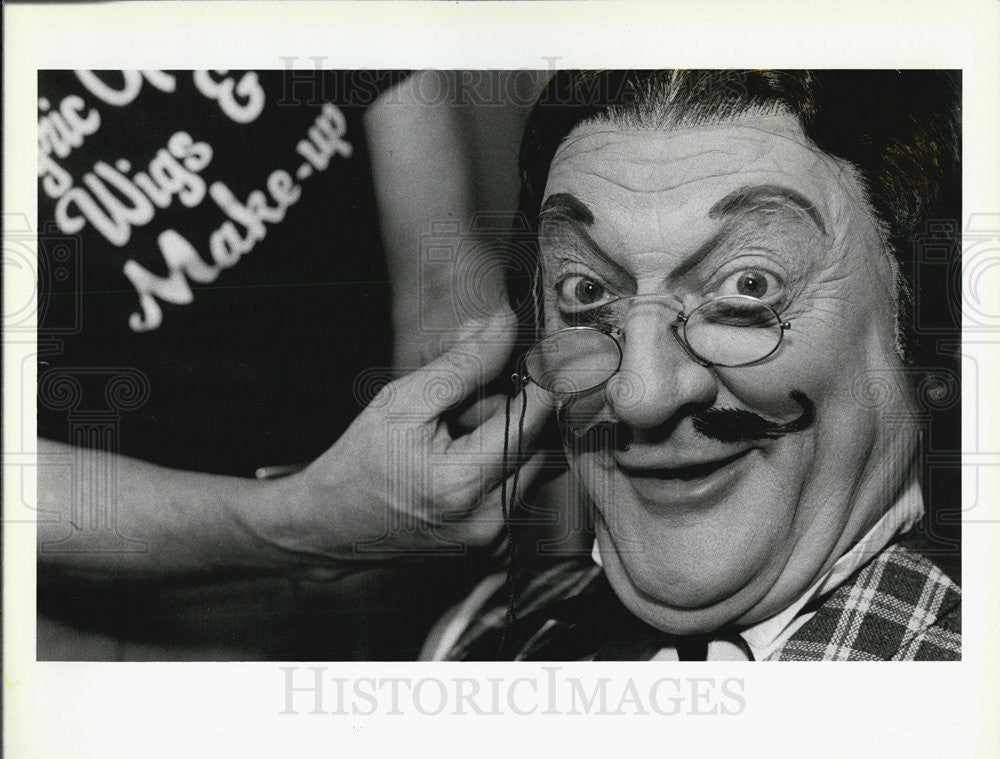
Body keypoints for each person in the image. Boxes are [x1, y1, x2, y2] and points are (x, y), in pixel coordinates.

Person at [425, 69, 962, 662]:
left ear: (922, 321)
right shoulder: (476, 645)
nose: (641, 393)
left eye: (748, 285)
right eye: (585, 291)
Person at [35, 69, 548, 660]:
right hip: (177, 592)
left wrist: (461, 336)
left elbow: (435, 245)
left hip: (434, 490)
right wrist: (292, 524)